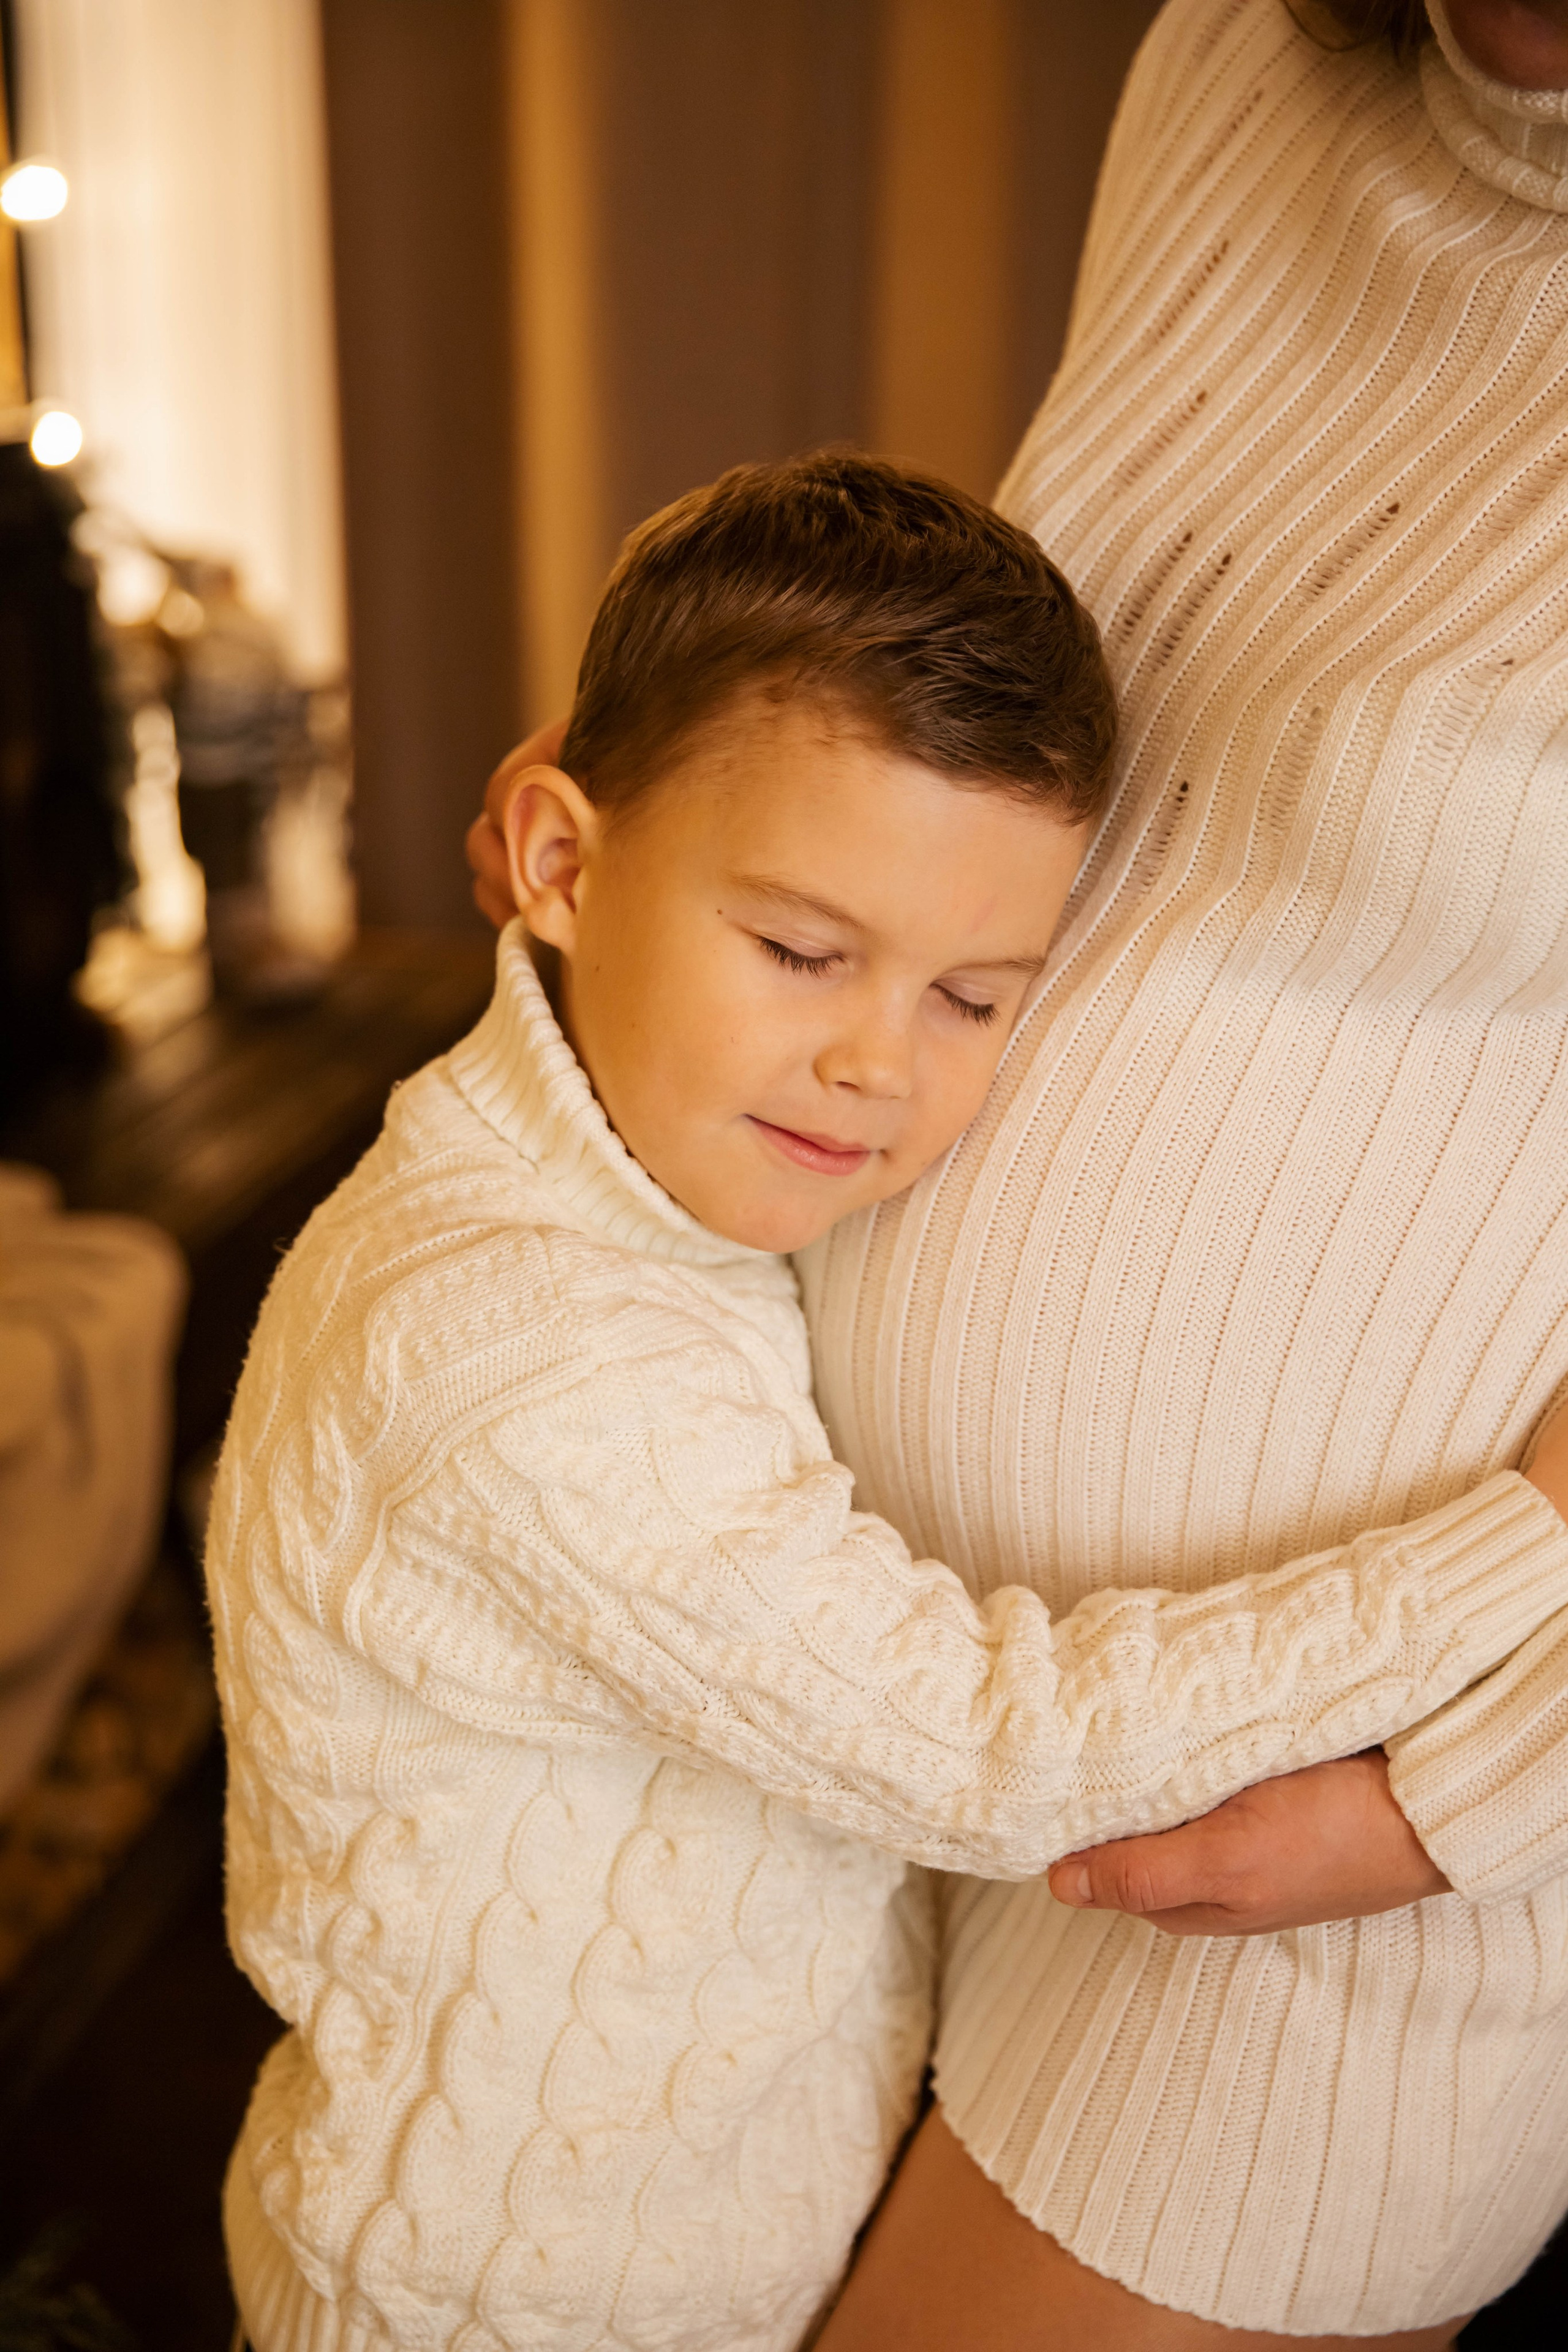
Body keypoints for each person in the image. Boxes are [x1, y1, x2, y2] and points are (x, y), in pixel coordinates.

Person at [468, 4, 1568, 2346]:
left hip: (1314, 1849)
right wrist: (713, 786)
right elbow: (1118, 661)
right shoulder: (1240, 58)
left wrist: (1473, 1782)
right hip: (888, 1728)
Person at [213, 455, 1568, 2352]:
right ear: (560, 856)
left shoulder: (617, 1186)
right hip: (512, 2308)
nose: (874, 1064)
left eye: (976, 996)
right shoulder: (514, 1348)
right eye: (800, 950)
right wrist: (1525, 1539)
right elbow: (986, 1746)